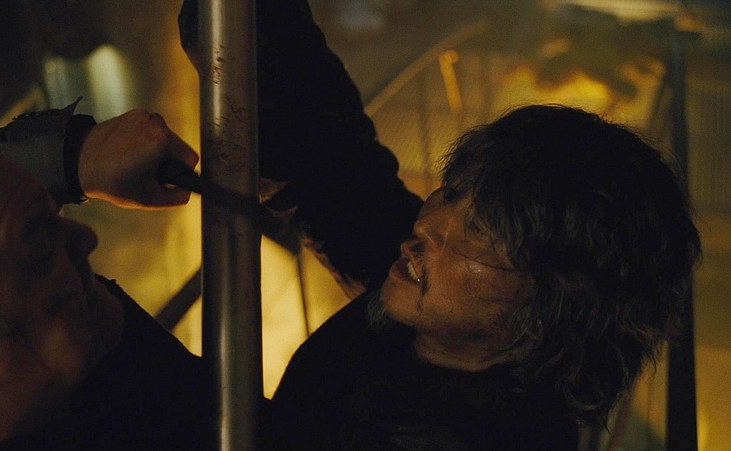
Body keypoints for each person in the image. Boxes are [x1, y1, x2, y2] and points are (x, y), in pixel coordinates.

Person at [183, 0, 702, 448]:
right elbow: (328, 158)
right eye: (451, 192)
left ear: (549, 311)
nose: (428, 225)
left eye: (481, 233)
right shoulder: (453, 319)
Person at [0, 103, 220, 449]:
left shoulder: (58, 341)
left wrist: (76, 156)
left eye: (53, 213)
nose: (87, 239)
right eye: (38, 245)